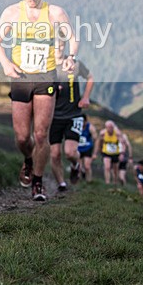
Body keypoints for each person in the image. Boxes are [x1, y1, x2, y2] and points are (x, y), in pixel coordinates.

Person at [0, 0, 79, 201]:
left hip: (45, 77)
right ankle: (28, 160)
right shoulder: (11, 12)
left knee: (41, 135)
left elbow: (72, 38)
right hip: (20, 77)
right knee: (22, 137)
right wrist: (6, 64)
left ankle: (38, 183)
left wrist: (71, 58)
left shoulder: (55, 13)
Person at [49, 58, 94, 192]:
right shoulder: (46, 63)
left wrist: (86, 97)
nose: (59, 48)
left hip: (73, 115)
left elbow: (90, 77)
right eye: (56, 45)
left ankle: (75, 165)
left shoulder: (76, 64)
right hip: (53, 116)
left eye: (62, 45)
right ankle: (61, 183)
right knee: (55, 154)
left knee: (69, 152)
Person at [94, 120, 121, 185]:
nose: (110, 129)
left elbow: (122, 143)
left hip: (115, 153)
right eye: (108, 127)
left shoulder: (117, 133)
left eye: (111, 127)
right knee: (107, 167)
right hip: (106, 152)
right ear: (106, 127)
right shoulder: (102, 133)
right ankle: (107, 182)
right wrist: (96, 152)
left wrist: (122, 153)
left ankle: (115, 182)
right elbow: (98, 142)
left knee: (115, 169)